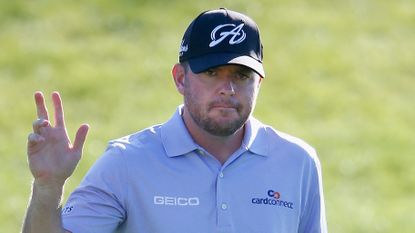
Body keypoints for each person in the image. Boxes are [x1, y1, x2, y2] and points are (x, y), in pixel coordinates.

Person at [22, 8, 327, 233]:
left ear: (258, 83)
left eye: (242, 75)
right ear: (180, 79)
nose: (227, 88)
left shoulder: (297, 161)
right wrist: (48, 186)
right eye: (211, 73)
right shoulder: (127, 163)